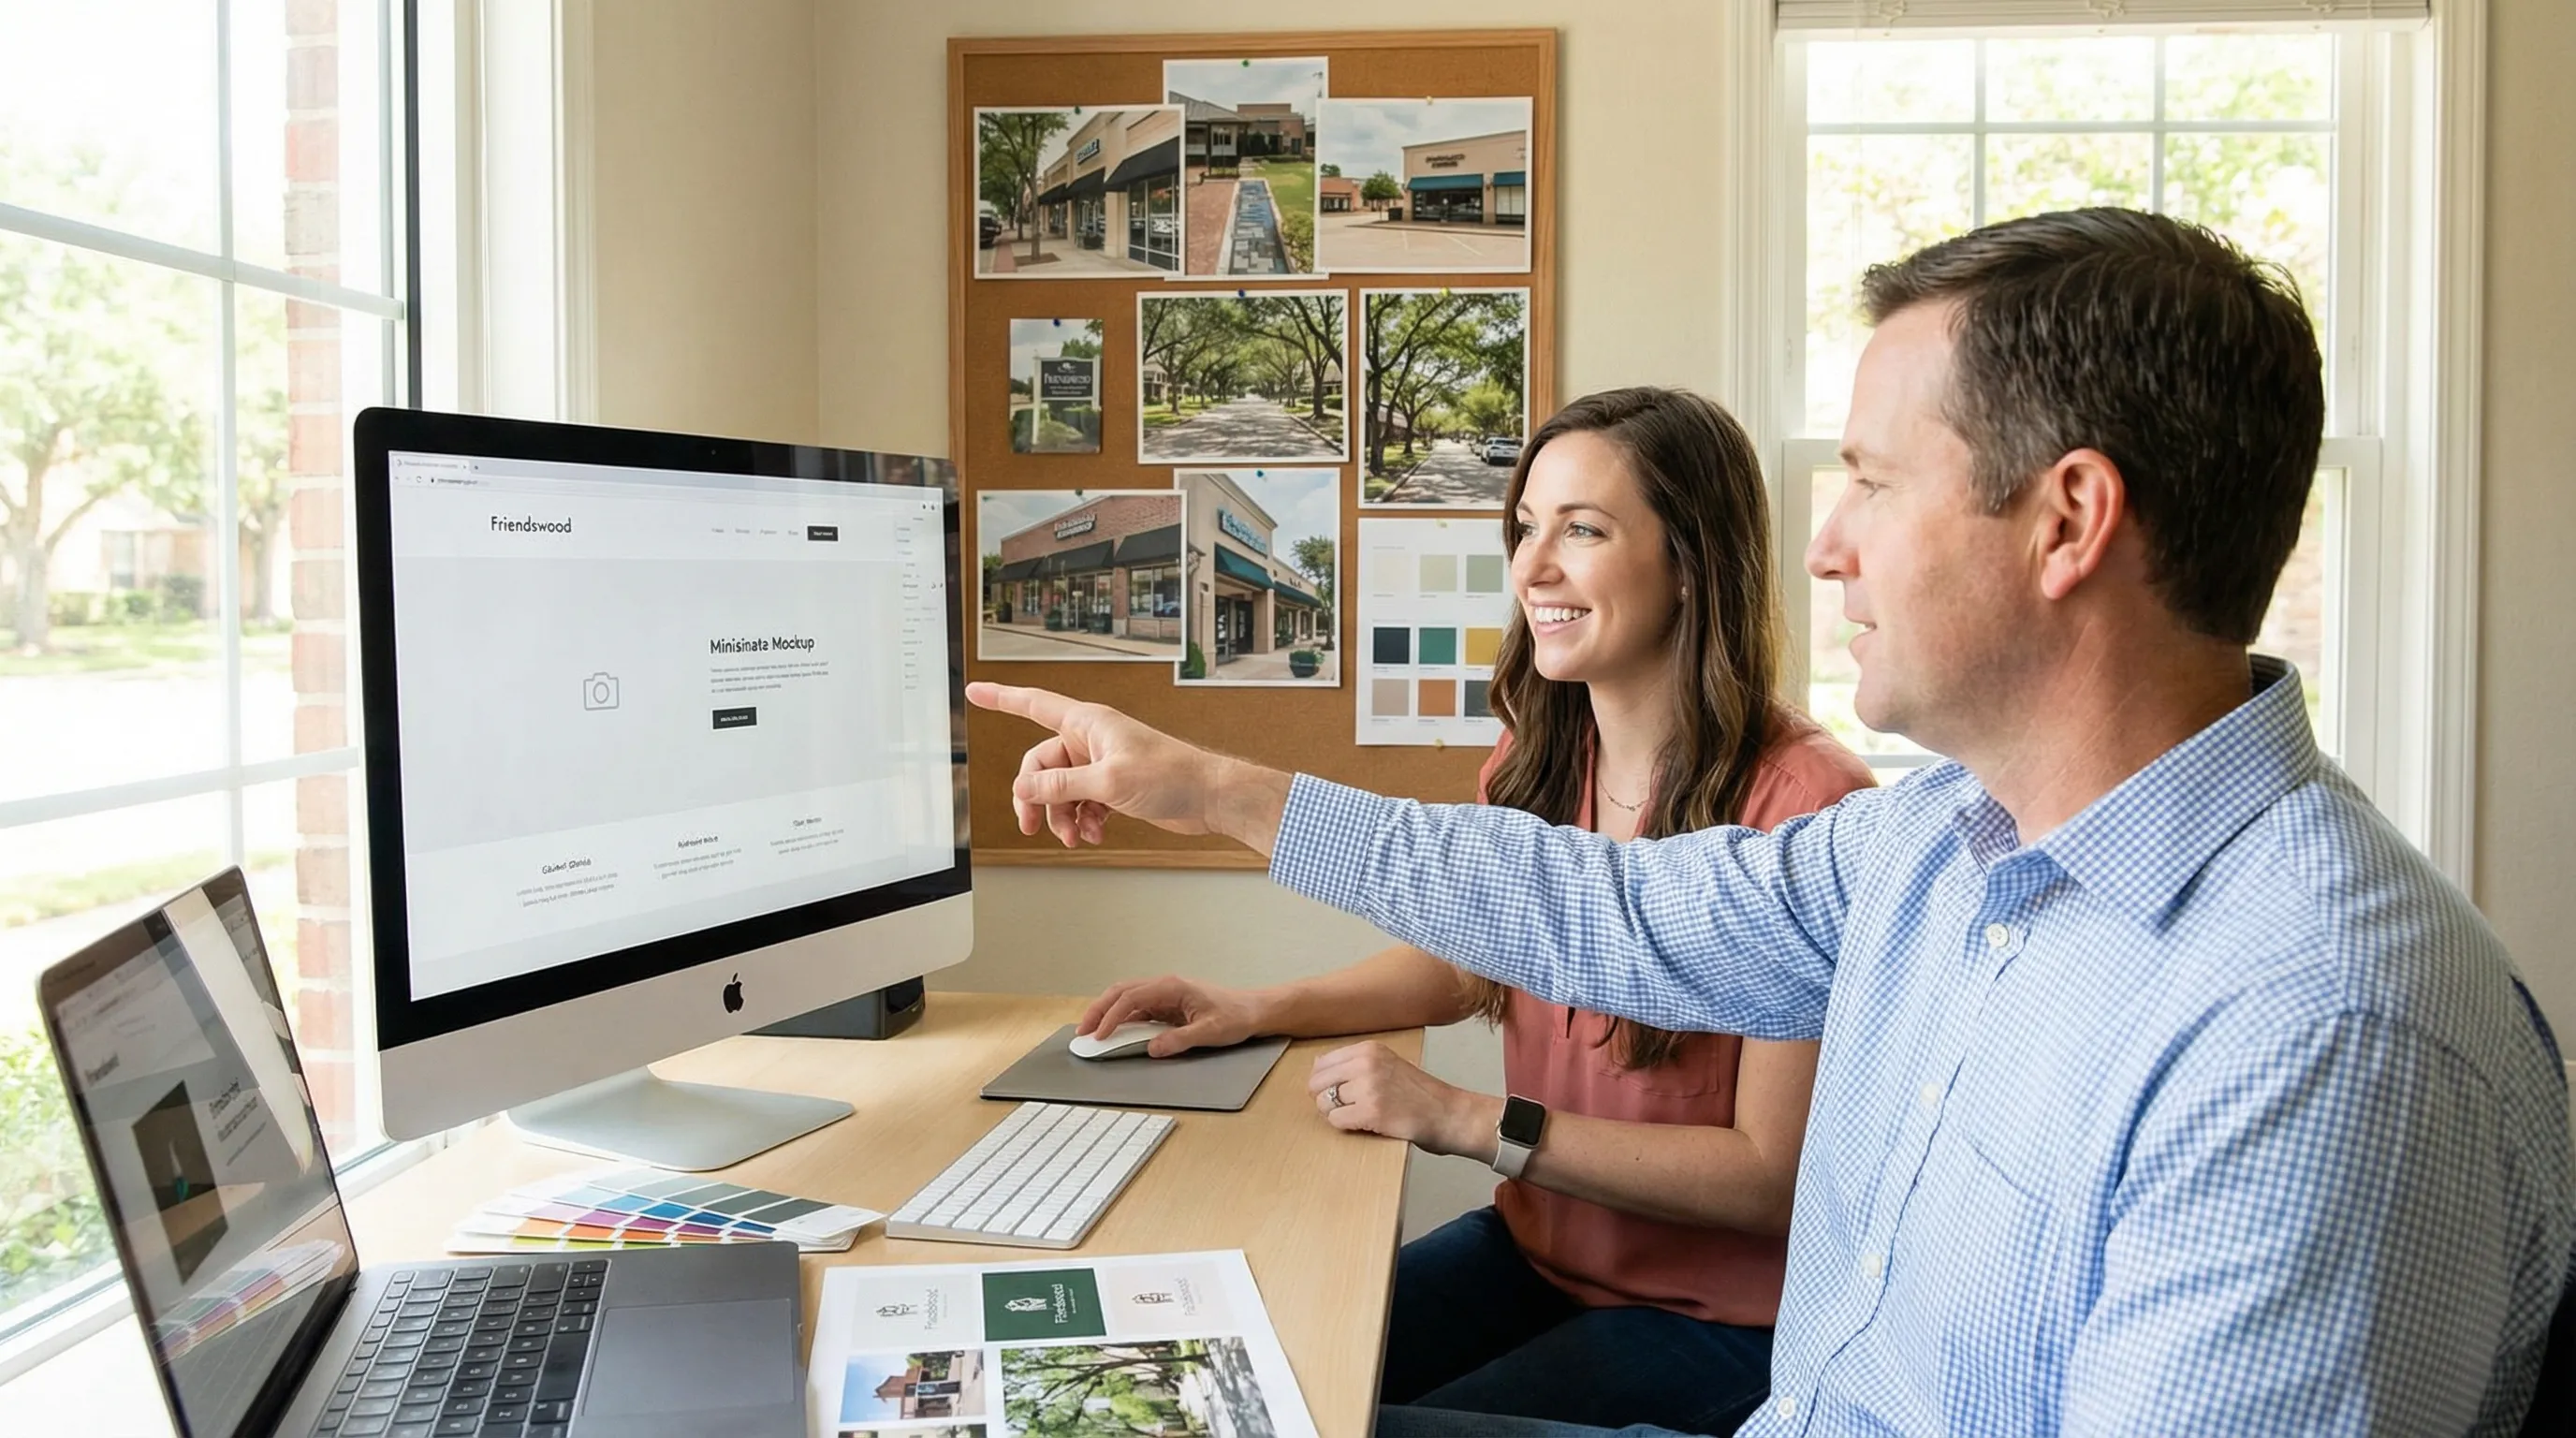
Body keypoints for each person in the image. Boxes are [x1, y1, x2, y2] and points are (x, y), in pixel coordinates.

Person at [972, 208, 2575, 1436]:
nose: (1822, 547)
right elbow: (1602, 911)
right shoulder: (1943, 840)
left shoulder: (2318, 1033)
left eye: (1871, 482)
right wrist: (1205, 788)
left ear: (2067, 524)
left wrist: (1463, 1118)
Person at [1077, 388, 1872, 1435]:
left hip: (1719, 1318)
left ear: (1690, 561)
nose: (1533, 568)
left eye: (1581, 529)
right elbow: (1469, 961)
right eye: (1524, 528)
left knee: (1329, 1423)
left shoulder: (1812, 808)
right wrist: (1256, 1006)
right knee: (1254, 1377)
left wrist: (1467, 1121)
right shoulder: (1541, 758)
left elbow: (1767, 1180)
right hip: (1541, 1248)